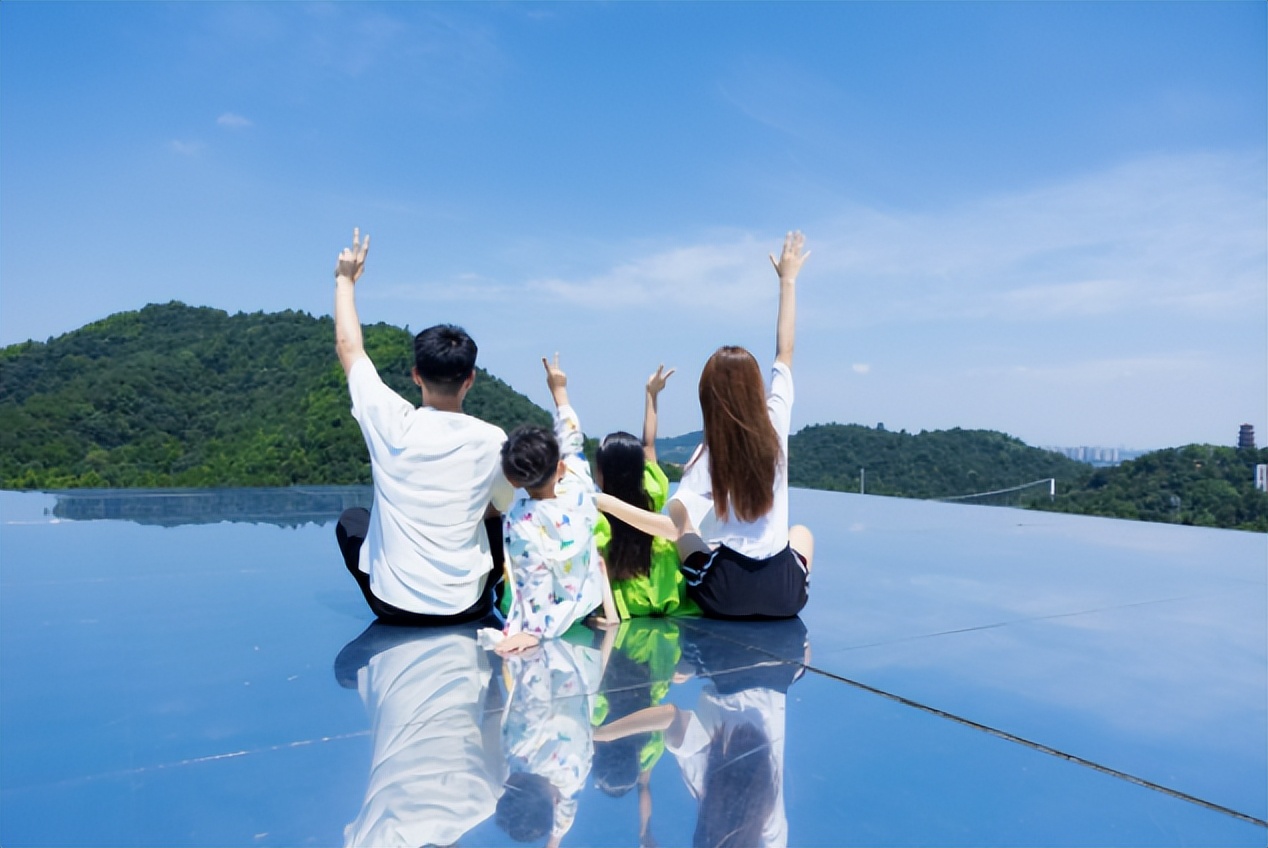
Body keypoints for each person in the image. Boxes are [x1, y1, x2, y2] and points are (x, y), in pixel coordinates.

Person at [597, 231, 815, 620]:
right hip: (784, 596)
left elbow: (672, 529)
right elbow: (785, 350)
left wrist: (605, 501)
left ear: (707, 397)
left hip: (725, 597)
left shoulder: (707, 455)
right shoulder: (776, 422)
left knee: (692, 537)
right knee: (802, 534)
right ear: (755, 390)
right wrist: (788, 280)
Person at [331, 228, 514, 624]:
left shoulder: (389, 420)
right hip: (468, 605)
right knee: (494, 513)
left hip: (392, 605)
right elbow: (499, 507)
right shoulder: (492, 440)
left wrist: (345, 280)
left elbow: (349, 348)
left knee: (352, 520)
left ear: (416, 375)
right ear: (470, 379)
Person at [491, 354, 616, 656]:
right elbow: (572, 439)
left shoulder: (519, 520)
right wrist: (559, 391)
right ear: (560, 469)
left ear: (513, 480)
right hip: (585, 602)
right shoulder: (580, 491)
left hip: (547, 618)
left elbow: (532, 577)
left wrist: (532, 633)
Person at [594, 365, 701, 619]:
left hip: (629, 602)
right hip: (669, 593)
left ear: (603, 474)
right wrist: (651, 395)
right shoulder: (652, 489)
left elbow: (600, 567)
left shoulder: (598, 514)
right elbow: (649, 444)